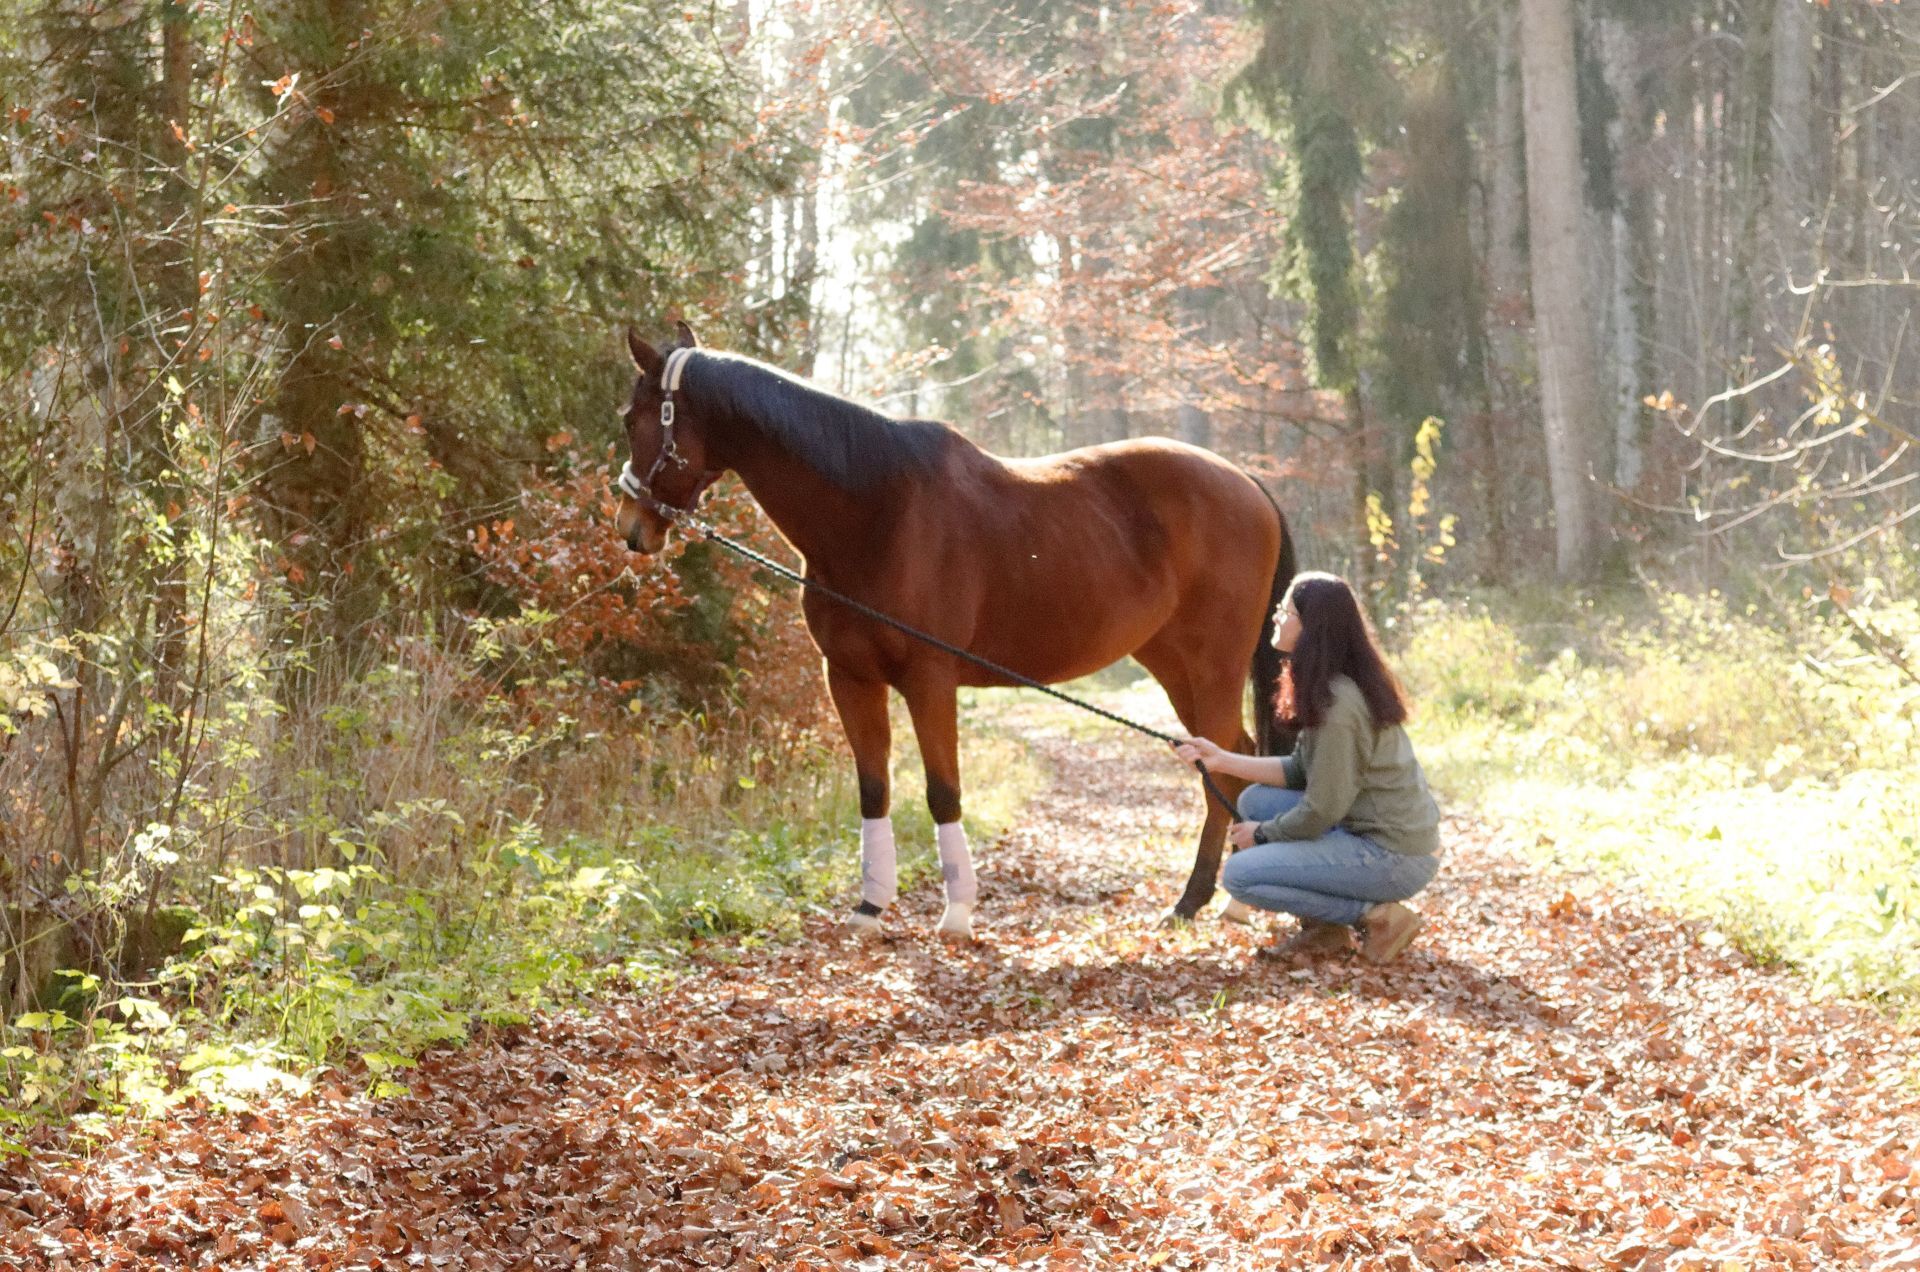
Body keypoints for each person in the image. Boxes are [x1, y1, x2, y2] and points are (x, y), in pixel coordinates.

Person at [1176, 571, 1440, 964]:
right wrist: (1221, 759)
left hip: (1393, 856)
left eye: (1286, 612)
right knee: (1255, 800)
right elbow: (1301, 770)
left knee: (1241, 875)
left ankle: (1374, 916)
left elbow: (1322, 809)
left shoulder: (1338, 706)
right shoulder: (1328, 686)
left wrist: (1263, 834)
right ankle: (1326, 928)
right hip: (1373, 835)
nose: (1276, 617)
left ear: (1312, 628)